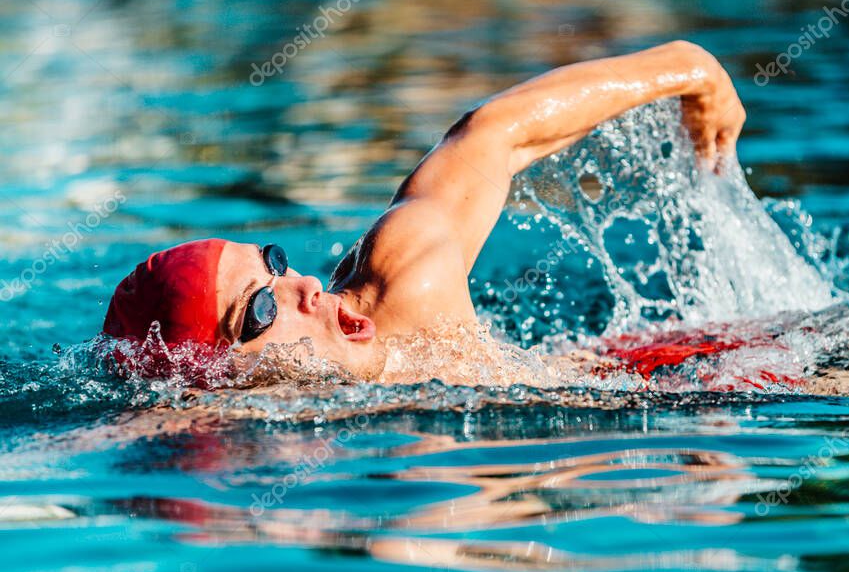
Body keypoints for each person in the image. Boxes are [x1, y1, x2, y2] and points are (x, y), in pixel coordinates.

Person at [103, 40, 749, 384]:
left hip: (702, 371)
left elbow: (493, 135)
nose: (304, 284)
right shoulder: (248, 421)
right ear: (218, 376)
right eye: (261, 309)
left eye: (274, 264)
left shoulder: (403, 280)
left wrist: (688, 68)